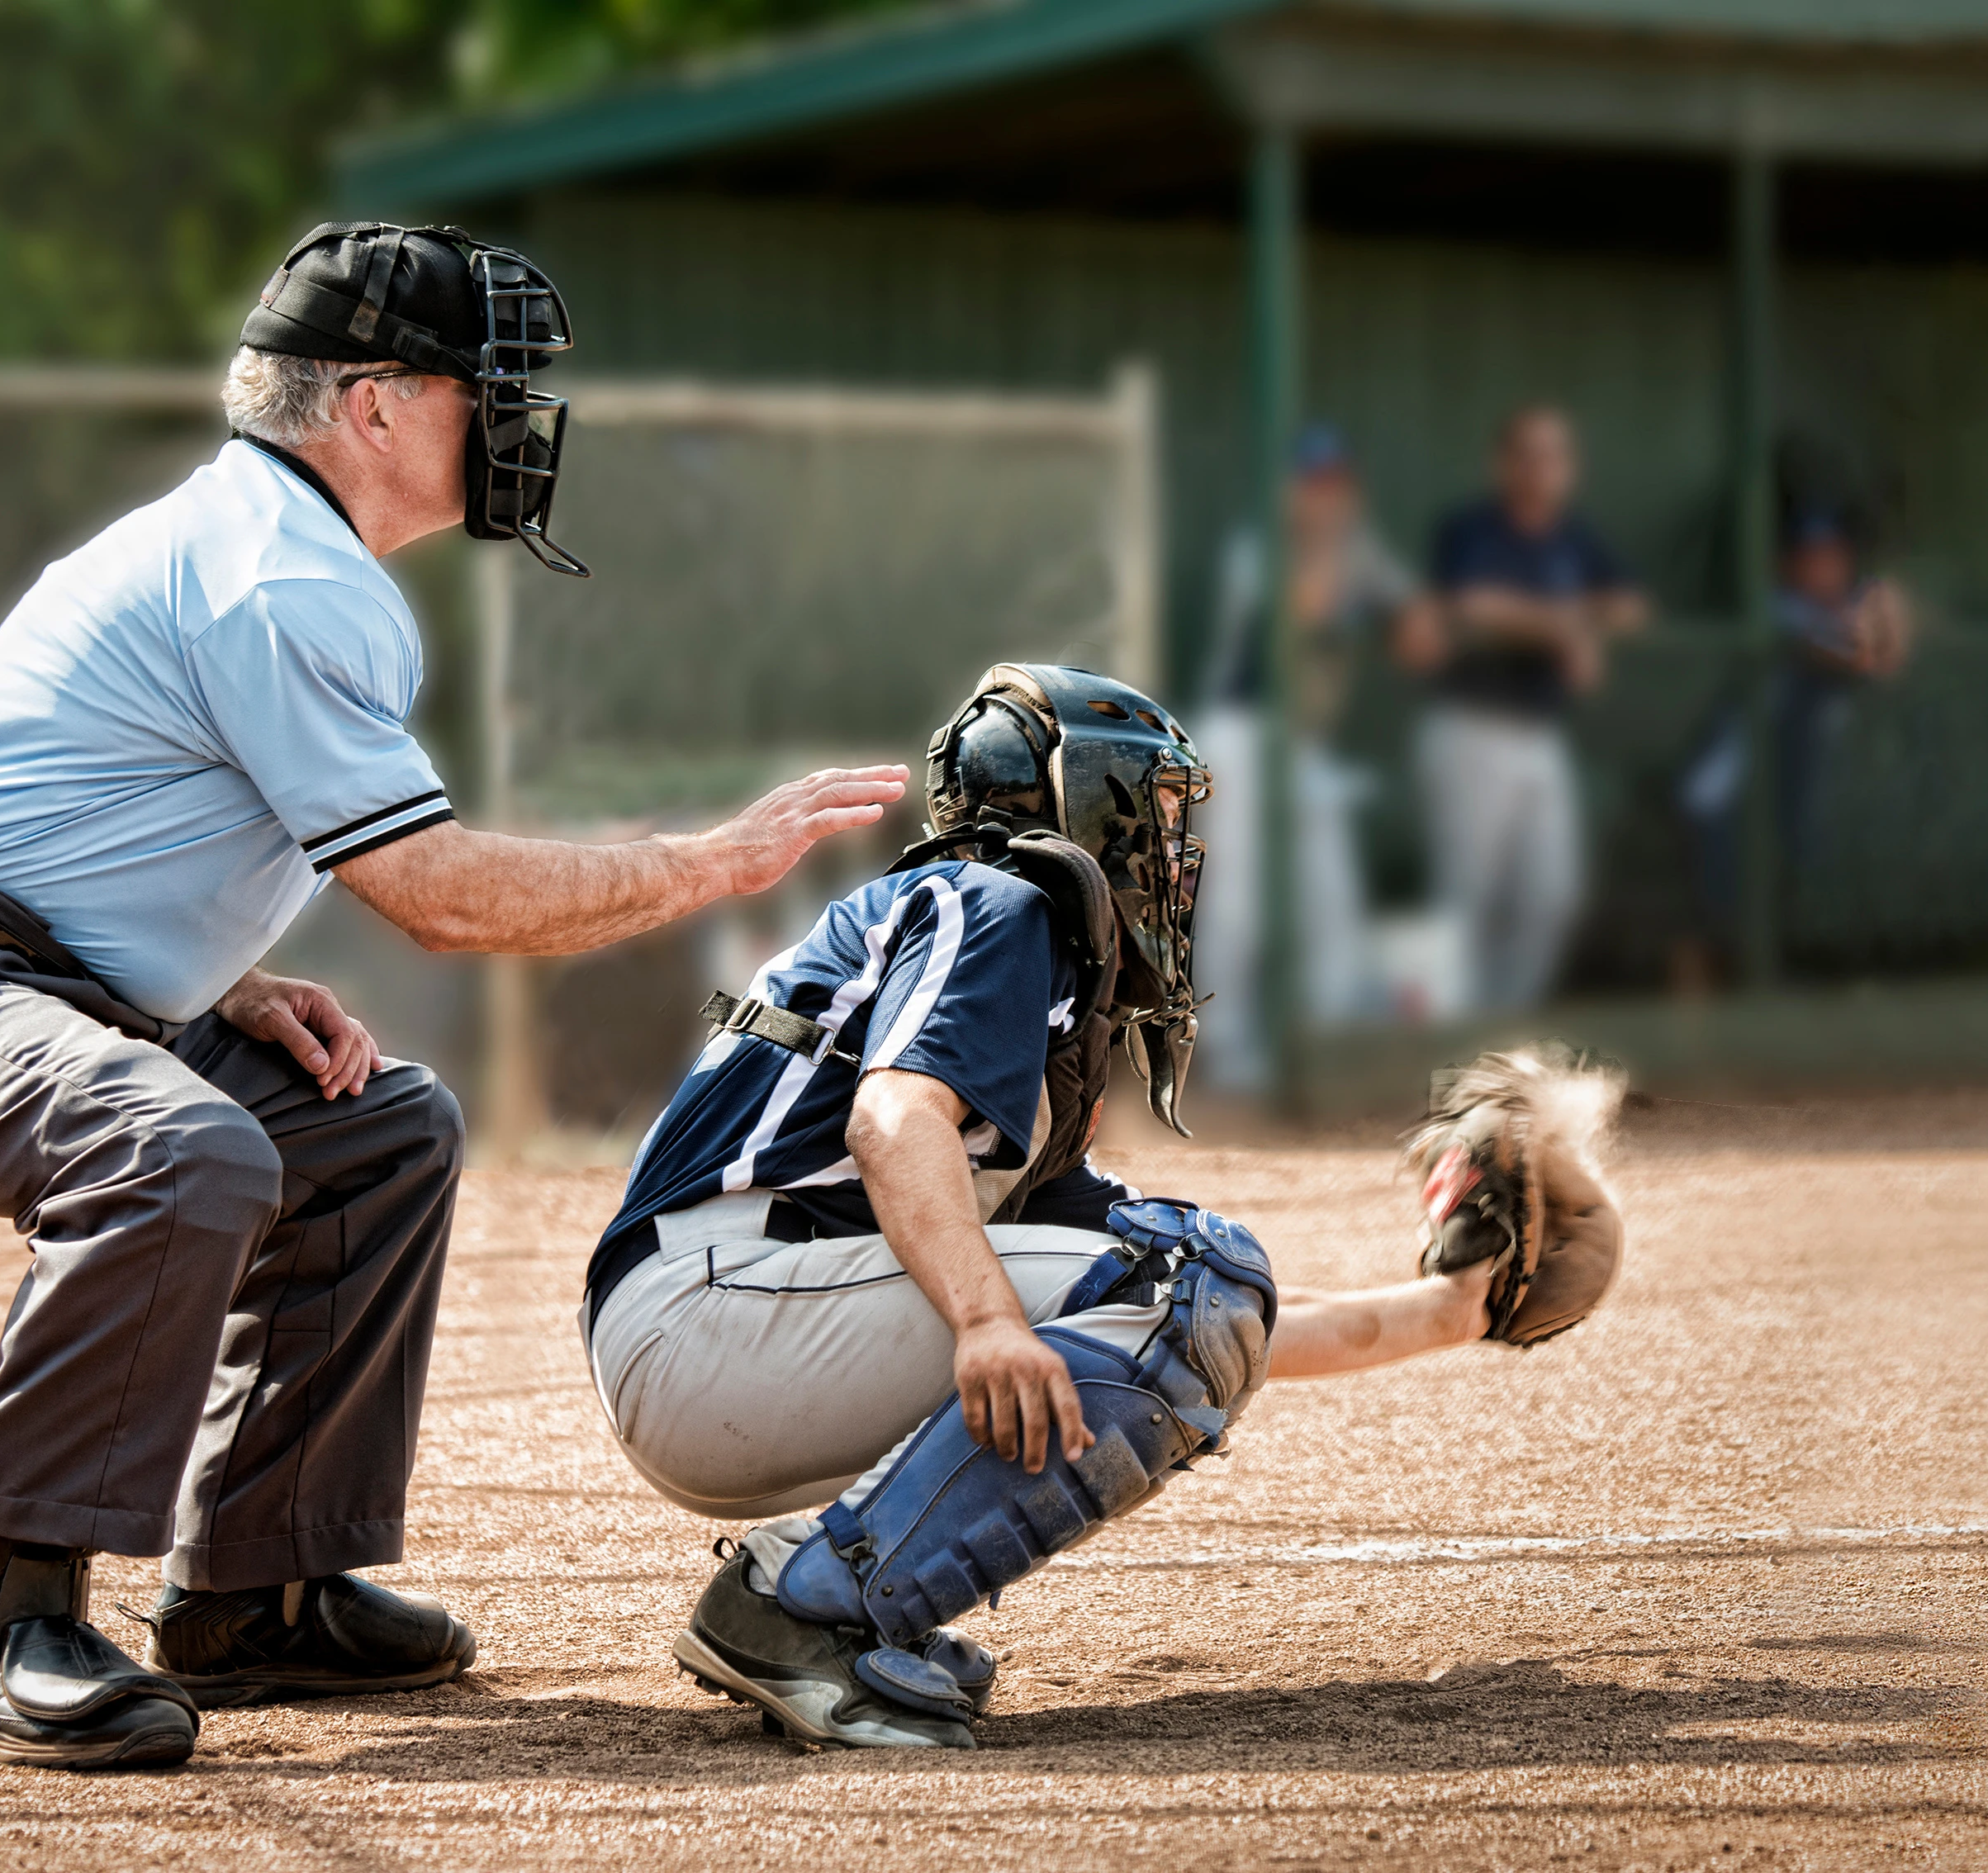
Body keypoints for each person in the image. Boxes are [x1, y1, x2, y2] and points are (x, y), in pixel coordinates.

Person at [0, 222, 904, 1771]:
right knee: (181, 1149)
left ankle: (261, 1591)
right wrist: (711, 866)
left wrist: (221, 977)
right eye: (487, 386)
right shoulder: (281, 572)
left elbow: (74, 806)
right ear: (376, 405)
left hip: (7, 965)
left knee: (375, 1129)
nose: (518, 422)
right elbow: (442, 895)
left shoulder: (267, 541)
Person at [579, 664, 1624, 1749]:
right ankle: (799, 1608)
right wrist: (986, 1322)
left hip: (731, 1317)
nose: (1175, 854)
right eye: (1159, 810)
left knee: (1189, 1288)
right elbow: (890, 1124)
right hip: (715, 1312)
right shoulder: (997, 901)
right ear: (1084, 800)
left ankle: (825, 1605)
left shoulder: (1002, 988)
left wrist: (1453, 1309)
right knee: (1189, 1280)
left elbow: (1210, 1322)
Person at [1190, 422, 1438, 1089]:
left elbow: (1424, 643)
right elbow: (1311, 602)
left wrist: (1404, 607)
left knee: (1332, 901)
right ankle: (1232, 1053)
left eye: (1334, 483)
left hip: (1305, 750)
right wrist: (1350, 552)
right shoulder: (1257, 549)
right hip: (1240, 735)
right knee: (1239, 902)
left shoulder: (1360, 550)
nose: (1323, 497)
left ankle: (1327, 1053)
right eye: (1310, 483)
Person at [1421, 406, 1649, 1011]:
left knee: (1555, 896)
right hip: (1472, 730)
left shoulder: (1574, 537)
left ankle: (1496, 1027)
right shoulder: (1474, 527)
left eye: (1555, 456)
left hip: (1540, 739)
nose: (1541, 469)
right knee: (1468, 903)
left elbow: (1631, 606)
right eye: (1528, 454)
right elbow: (1473, 604)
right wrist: (1565, 630)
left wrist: (1579, 625)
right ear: (1503, 463)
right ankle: (1453, 1033)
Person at [1677, 505, 1913, 978]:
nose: (1820, 567)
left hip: (1791, 788)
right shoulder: (1775, 606)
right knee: (1715, 917)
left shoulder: (1846, 606)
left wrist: (1887, 606)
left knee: (1784, 896)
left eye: (1830, 557)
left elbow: (1890, 650)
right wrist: (1876, 621)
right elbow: (1855, 656)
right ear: (1786, 565)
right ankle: (1700, 1012)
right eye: (1808, 558)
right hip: (1727, 788)